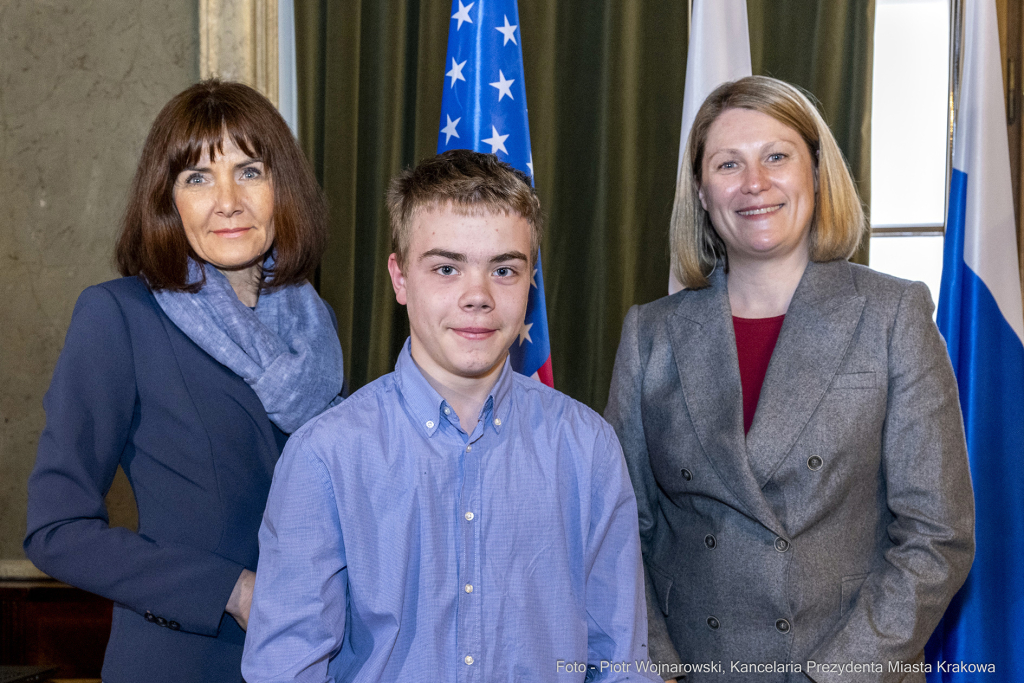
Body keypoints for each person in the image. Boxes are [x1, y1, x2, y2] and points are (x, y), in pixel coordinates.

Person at [604, 76, 975, 682]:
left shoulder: (893, 314)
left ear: (816, 172)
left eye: (777, 156)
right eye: (729, 164)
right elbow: (622, 528)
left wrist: (833, 675)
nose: (755, 183)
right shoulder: (651, 333)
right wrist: (662, 670)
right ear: (701, 192)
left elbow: (938, 534)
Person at [241, 149, 659, 682]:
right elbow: (285, 669)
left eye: (504, 270)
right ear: (399, 278)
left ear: (531, 281)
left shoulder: (588, 448)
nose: (477, 297)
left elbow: (620, 661)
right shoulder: (325, 456)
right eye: (446, 268)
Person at [24, 80, 343, 683]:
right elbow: (55, 532)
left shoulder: (314, 326)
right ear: (168, 200)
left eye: (249, 171)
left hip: (320, 659)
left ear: (284, 190)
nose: (227, 201)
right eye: (197, 178)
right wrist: (233, 590)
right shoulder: (119, 317)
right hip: (187, 661)